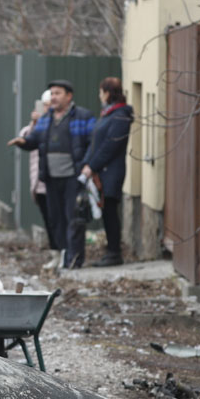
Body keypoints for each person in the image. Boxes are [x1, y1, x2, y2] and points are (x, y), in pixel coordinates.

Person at [8, 80, 95, 269]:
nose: (54, 97)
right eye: (52, 93)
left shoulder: (82, 116)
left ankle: (74, 260)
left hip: (73, 177)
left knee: (74, 219)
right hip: (51, 178)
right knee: (56, 219)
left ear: (69, 96)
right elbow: (35, 139)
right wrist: (22, 141)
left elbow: (92, 143)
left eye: (58, 93)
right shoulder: (46, 118)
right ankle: (63, 256)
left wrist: (87, 166)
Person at [83, 77, 132, 267]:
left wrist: (92, 166)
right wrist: (87, 163)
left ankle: (114, 253)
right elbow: (96, 142)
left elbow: (110, 146)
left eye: (101, 91)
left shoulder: (120, 115)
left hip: (111, 172)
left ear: (108, 93)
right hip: (101, 171)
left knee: (111, 212)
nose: (99, 95)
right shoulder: (109, 114)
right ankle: (111, 252)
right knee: (106, 212)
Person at [21, 90, 60, 257]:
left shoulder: (56, 124)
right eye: (44, 105)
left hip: (53, 179)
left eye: (49, 105)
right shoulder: (39, 125)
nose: (46, 108)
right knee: (48, 219)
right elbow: (25, 137)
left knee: (56, 219)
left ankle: (61, 252)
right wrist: (34, 123)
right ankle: (54, 252)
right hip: (39, 181)